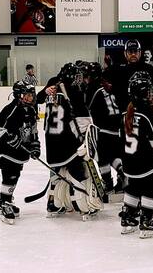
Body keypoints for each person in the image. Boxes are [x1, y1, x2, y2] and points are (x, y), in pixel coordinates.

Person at [43, 63, 102, 220]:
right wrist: (85, 139)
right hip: (67, 141)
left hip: (50, 141)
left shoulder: (53, 82)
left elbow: (38, 99)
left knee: (55, 175)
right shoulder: (74, 91)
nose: (79, 80)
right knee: (78, 172)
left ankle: (53, 206)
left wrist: (44, 91)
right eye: (76, 77)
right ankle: (83, 208)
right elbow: (84, 121)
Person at [119, 76, 153, 238]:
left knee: (132, 188)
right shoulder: (148, 113)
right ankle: (146, 221)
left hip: (128, 163)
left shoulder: (126, 112)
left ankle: (127, 218)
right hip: (145, 164)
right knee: (149, 189)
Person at [0, 81, 39, 224]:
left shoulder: (31, 110)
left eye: (32, 95)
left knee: (15, 175)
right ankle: (5, 203)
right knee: (9, 176)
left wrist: (35, 147)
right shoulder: (11, 109)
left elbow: (34, 131)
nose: (31, 98)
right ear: (20, 95)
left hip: (20, 152)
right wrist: (10, 139)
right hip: (7, 151)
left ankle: (3, 202)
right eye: (28, 95)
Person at [82, 63, 124, 202]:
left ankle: (108, 184)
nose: (84, 79)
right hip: (117, 129)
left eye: (86, 76)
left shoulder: (92, 88)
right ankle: (123, 174)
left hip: (104, 129)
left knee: (102, 158)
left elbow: (86, 108)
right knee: (114, 156)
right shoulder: (107, 85)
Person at [110, 39, 153, 112]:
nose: (133, 54)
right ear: (125, 53)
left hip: (148, 111)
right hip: (127, 112)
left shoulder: (149, 68)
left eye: (135, 51)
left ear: (140, 53)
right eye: (130, 51)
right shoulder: (118, 71)